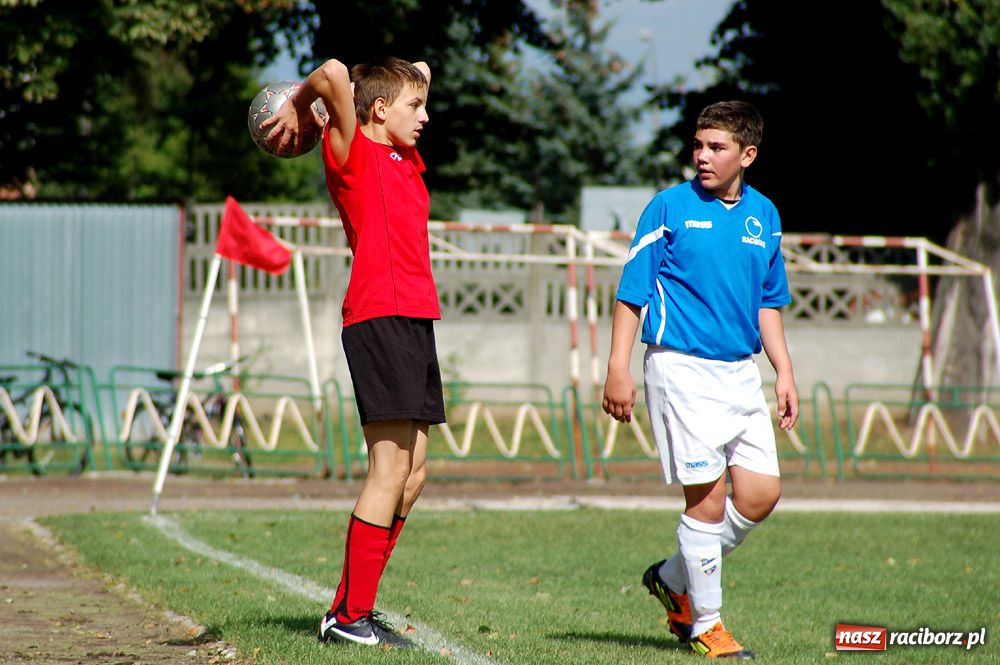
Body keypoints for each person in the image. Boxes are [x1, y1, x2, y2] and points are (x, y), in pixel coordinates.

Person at [602, 100, 798, 660]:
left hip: (740, 373)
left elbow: (768, 302)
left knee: (760, 495)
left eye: (717, 147)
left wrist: (784, 371)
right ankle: (706, 626)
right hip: (680, 368)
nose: (703, 156)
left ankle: (671, 576)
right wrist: (617, 367)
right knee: (707, 502)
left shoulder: (765, 216)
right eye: (698, 145)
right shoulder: (669, 206)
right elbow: (632, 291)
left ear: (747, 154)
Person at [262, 56, 443, 649]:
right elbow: (336, 72)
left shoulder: (404, 155)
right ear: (379, 111)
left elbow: (417, 70)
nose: (425, 116)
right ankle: (349, 617)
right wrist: (299, 105)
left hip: (415, 318)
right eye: (414, 107)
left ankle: (348, 608)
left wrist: (406, 86)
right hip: (379, 313)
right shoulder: (352, 152)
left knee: (414, 473)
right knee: (388, 469)